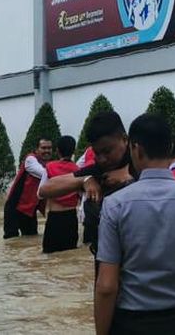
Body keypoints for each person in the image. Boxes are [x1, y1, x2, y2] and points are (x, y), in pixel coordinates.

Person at [95, 114, 175, 335]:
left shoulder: (114, 205)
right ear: (171, 147)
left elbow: (106, 286)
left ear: (136, 149)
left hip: (131, 323)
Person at [39, 111, 136, 260]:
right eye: (97, 153)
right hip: (104, 258)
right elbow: (45, 189)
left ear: (125, 139)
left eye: (107, 151)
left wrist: (129, 180)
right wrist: (84, 180)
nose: (102, 159)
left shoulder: (141, 166)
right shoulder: (97, 171)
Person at [4, 138, 52, 239]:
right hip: (15, 208)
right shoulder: (30, 160)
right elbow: (45, 174)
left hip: (30, 210)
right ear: (36, 149)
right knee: (12, 242)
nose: (47, 151)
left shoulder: (49, 165)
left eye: (49, 148)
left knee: (31, 241)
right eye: (43, 148)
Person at [42, 135, 81, 253]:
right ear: (73, 151)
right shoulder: (78, 170)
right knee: (69, 255)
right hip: (71, 219)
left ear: (57, 150)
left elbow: (40, 192)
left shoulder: (49, 167)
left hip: (55, 218)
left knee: (49, 258)